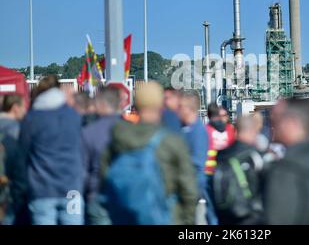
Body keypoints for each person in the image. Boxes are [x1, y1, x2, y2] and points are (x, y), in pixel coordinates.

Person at [101, 81, 198, 225]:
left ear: (136, 104)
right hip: (166, 217)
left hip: (125, 217)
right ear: (160, 105)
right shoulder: (172, 142)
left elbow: (104, 180)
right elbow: (189, 189)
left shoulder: (117, 138)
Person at [19, 75, 84, 225]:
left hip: (42, 189)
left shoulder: (32, 119)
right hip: (71, 188)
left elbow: (23, 153)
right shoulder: (73, 115)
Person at [81, 86, 122, 225]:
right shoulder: (131, 129)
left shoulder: (89, 132)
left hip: (97, 194)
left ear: (102, 104)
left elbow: (83, 170)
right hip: (125, 195)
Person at [213, 116, 264, 225]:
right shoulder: (254, 155)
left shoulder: (221, 155)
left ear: (235, 130)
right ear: (254, 131)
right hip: (248, 217)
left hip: (224, 215)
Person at [177, 90, 211, 223]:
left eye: (181, 106)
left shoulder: (197, 131)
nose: (177, 110)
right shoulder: (184, 128)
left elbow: (196, 165)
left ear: (189, 108)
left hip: (189, 190)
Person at [0, 95, 28, 225]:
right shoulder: (18, 130)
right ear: (15, 108)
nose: (25, 110)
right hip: (8, 194)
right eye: (23, 106)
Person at [205, 103, 235, 176]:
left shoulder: (205, 129)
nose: (222, 118)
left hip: (212, 170)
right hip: (222, 170)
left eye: (224, 115)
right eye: (220, 115)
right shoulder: (230, 130)